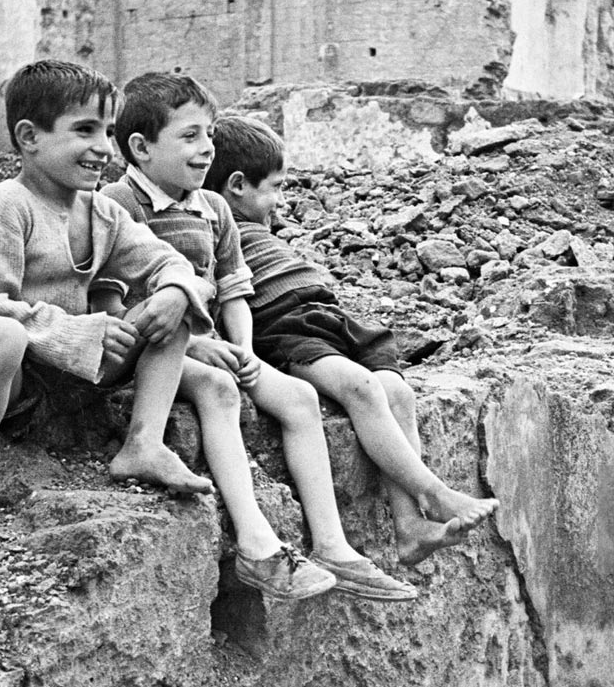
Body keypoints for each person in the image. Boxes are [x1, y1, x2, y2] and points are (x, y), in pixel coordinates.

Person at [101, 71, 416, 601]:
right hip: (151, 346)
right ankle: (257, 546)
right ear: (141, 147)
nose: (207, 150)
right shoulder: (117, 204)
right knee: (220, 392)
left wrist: (243, 347)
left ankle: (333, 545)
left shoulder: (213, 207)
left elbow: (234, 289)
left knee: (299, 397)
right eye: (191, 137)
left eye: (210, 136)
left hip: (210, 339)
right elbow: (114, 301)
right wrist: (197, 342)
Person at [0, 59, 217, 564]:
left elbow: (167, 261)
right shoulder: (7, 206)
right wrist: (80, 332)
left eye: (108, 131)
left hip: (64, 364)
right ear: (29, 136)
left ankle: (142, 444)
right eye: (84, 130)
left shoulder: (102, 211)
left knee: (173, 306)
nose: (103, 147)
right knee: (1, 334)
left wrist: (172, 291)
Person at [204, 113, 499, 566]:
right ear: (239, 185)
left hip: (326, 314)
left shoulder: (256, 228)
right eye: (277, 187)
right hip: (285, 326)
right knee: (359, 387)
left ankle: (410, 526)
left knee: (397, 390)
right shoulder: (215, 224)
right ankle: (433, 492)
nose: (282, 201)